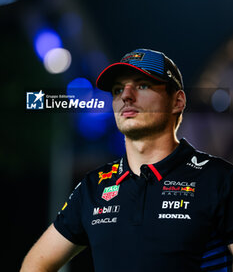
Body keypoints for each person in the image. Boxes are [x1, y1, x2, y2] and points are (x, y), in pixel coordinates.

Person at [20, 48, 233, 272]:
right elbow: (37, 264)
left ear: (177, 101)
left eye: (142, 86)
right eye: (118, 89)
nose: (126, 96)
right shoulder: (93, 187)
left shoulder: (218, 179)